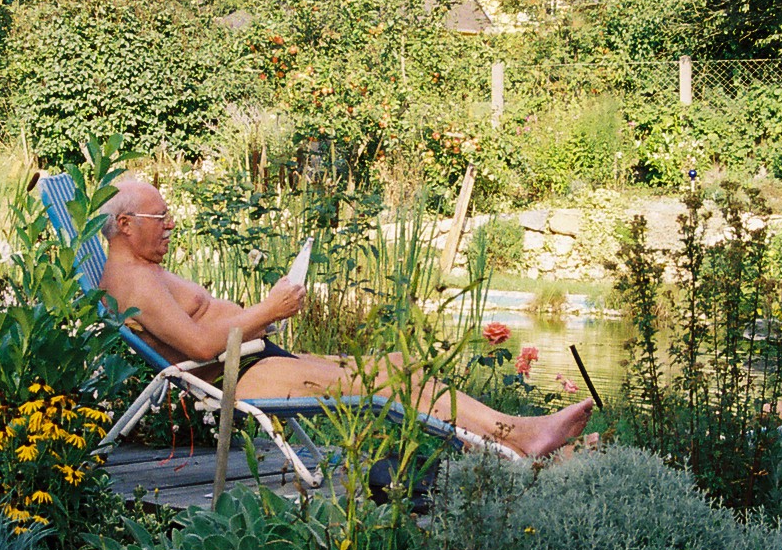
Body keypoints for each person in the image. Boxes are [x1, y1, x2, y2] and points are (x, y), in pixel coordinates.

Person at [97, 180, 594, 459]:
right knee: (386, 378)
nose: (171, 225)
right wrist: (268, 310)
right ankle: (516, 438)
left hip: (253, 358)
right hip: (237, 377)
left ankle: (511, 436)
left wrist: (259, 319)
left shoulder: (144, 269)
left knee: (400, 364)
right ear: (124, 225)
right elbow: (204, 348)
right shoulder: (133, 282)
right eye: (160, 218)